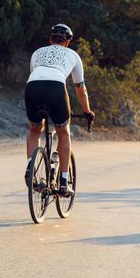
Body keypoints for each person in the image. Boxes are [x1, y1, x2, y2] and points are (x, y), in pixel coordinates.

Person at [24, 24, 94, 197]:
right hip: (56, 88)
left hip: (32, 87)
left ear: (50, 40)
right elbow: (80, 89)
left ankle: (30, 168)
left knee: (34, 129)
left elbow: (38, 75)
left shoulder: (37, 53)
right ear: (68, 42)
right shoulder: (73, 55)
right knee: (63, 131)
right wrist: (87, 111)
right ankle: (63, 182)